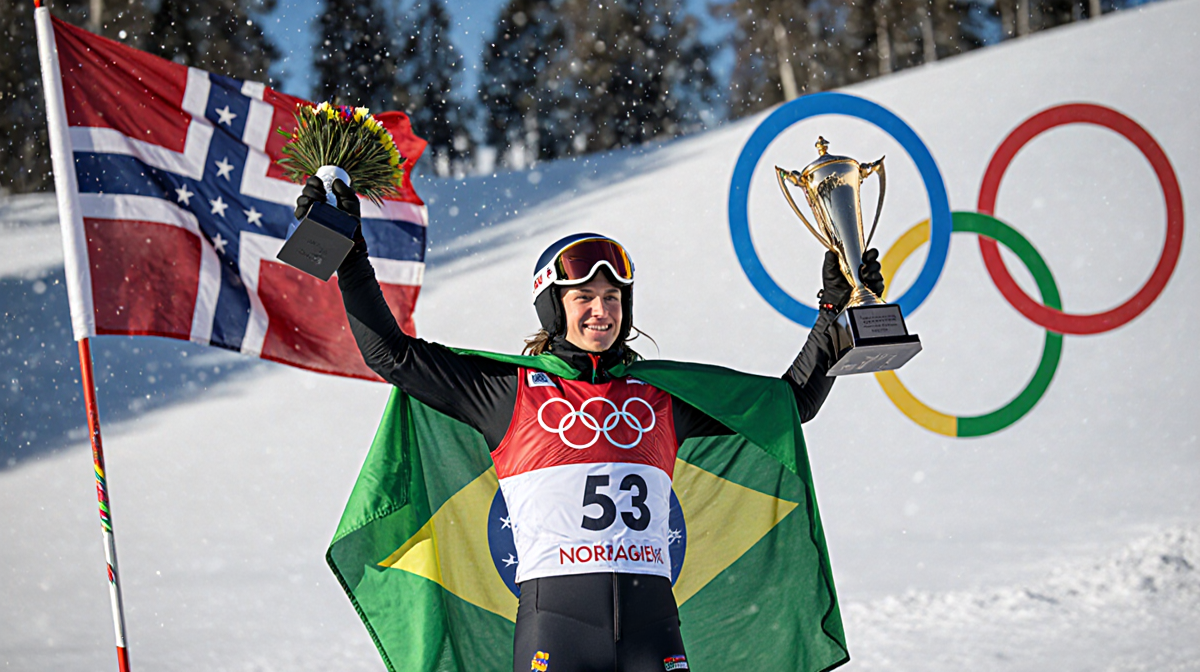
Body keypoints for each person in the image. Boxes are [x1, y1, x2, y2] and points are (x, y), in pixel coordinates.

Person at [297, 177, 884, 672]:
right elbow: (392, 356)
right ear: (554, 305)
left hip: (655, 631)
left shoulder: (662, 394)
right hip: (558, 630)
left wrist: (833, 313)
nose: (601, 309)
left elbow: (789, 404)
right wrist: (351, 260)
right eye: (584, 295)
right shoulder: (507, 390)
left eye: (613, 297)